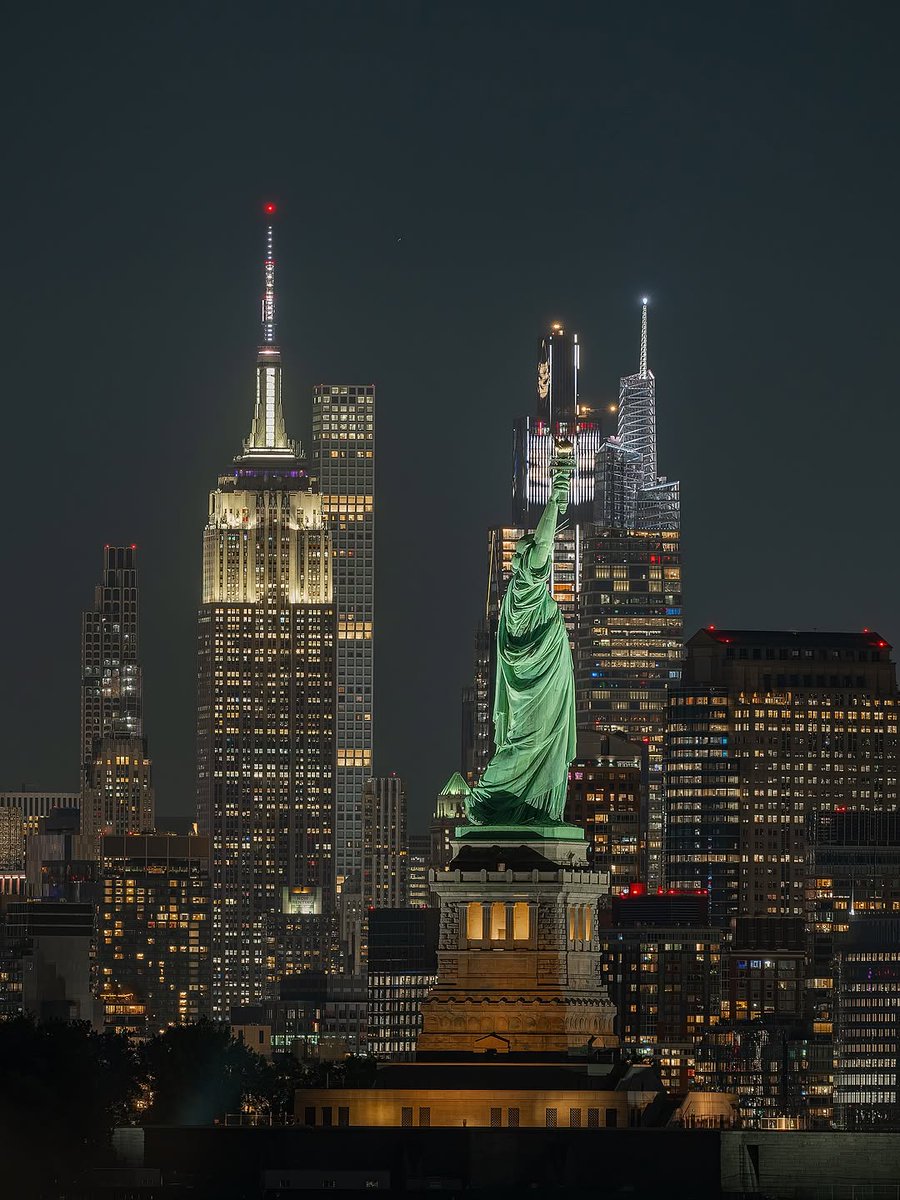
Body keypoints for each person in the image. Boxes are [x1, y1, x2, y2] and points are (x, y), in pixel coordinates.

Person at [465, 443, 576, 826]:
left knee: (532, 744)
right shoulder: (525, 588)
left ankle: (524, 806)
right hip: (533, 687)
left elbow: (543, 542)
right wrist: (557, 494)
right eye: (527, 554)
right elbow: (545, 539)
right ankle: (495, 797)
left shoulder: (519, 592)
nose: (526, 555)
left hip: (544, 680)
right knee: (526, 744)